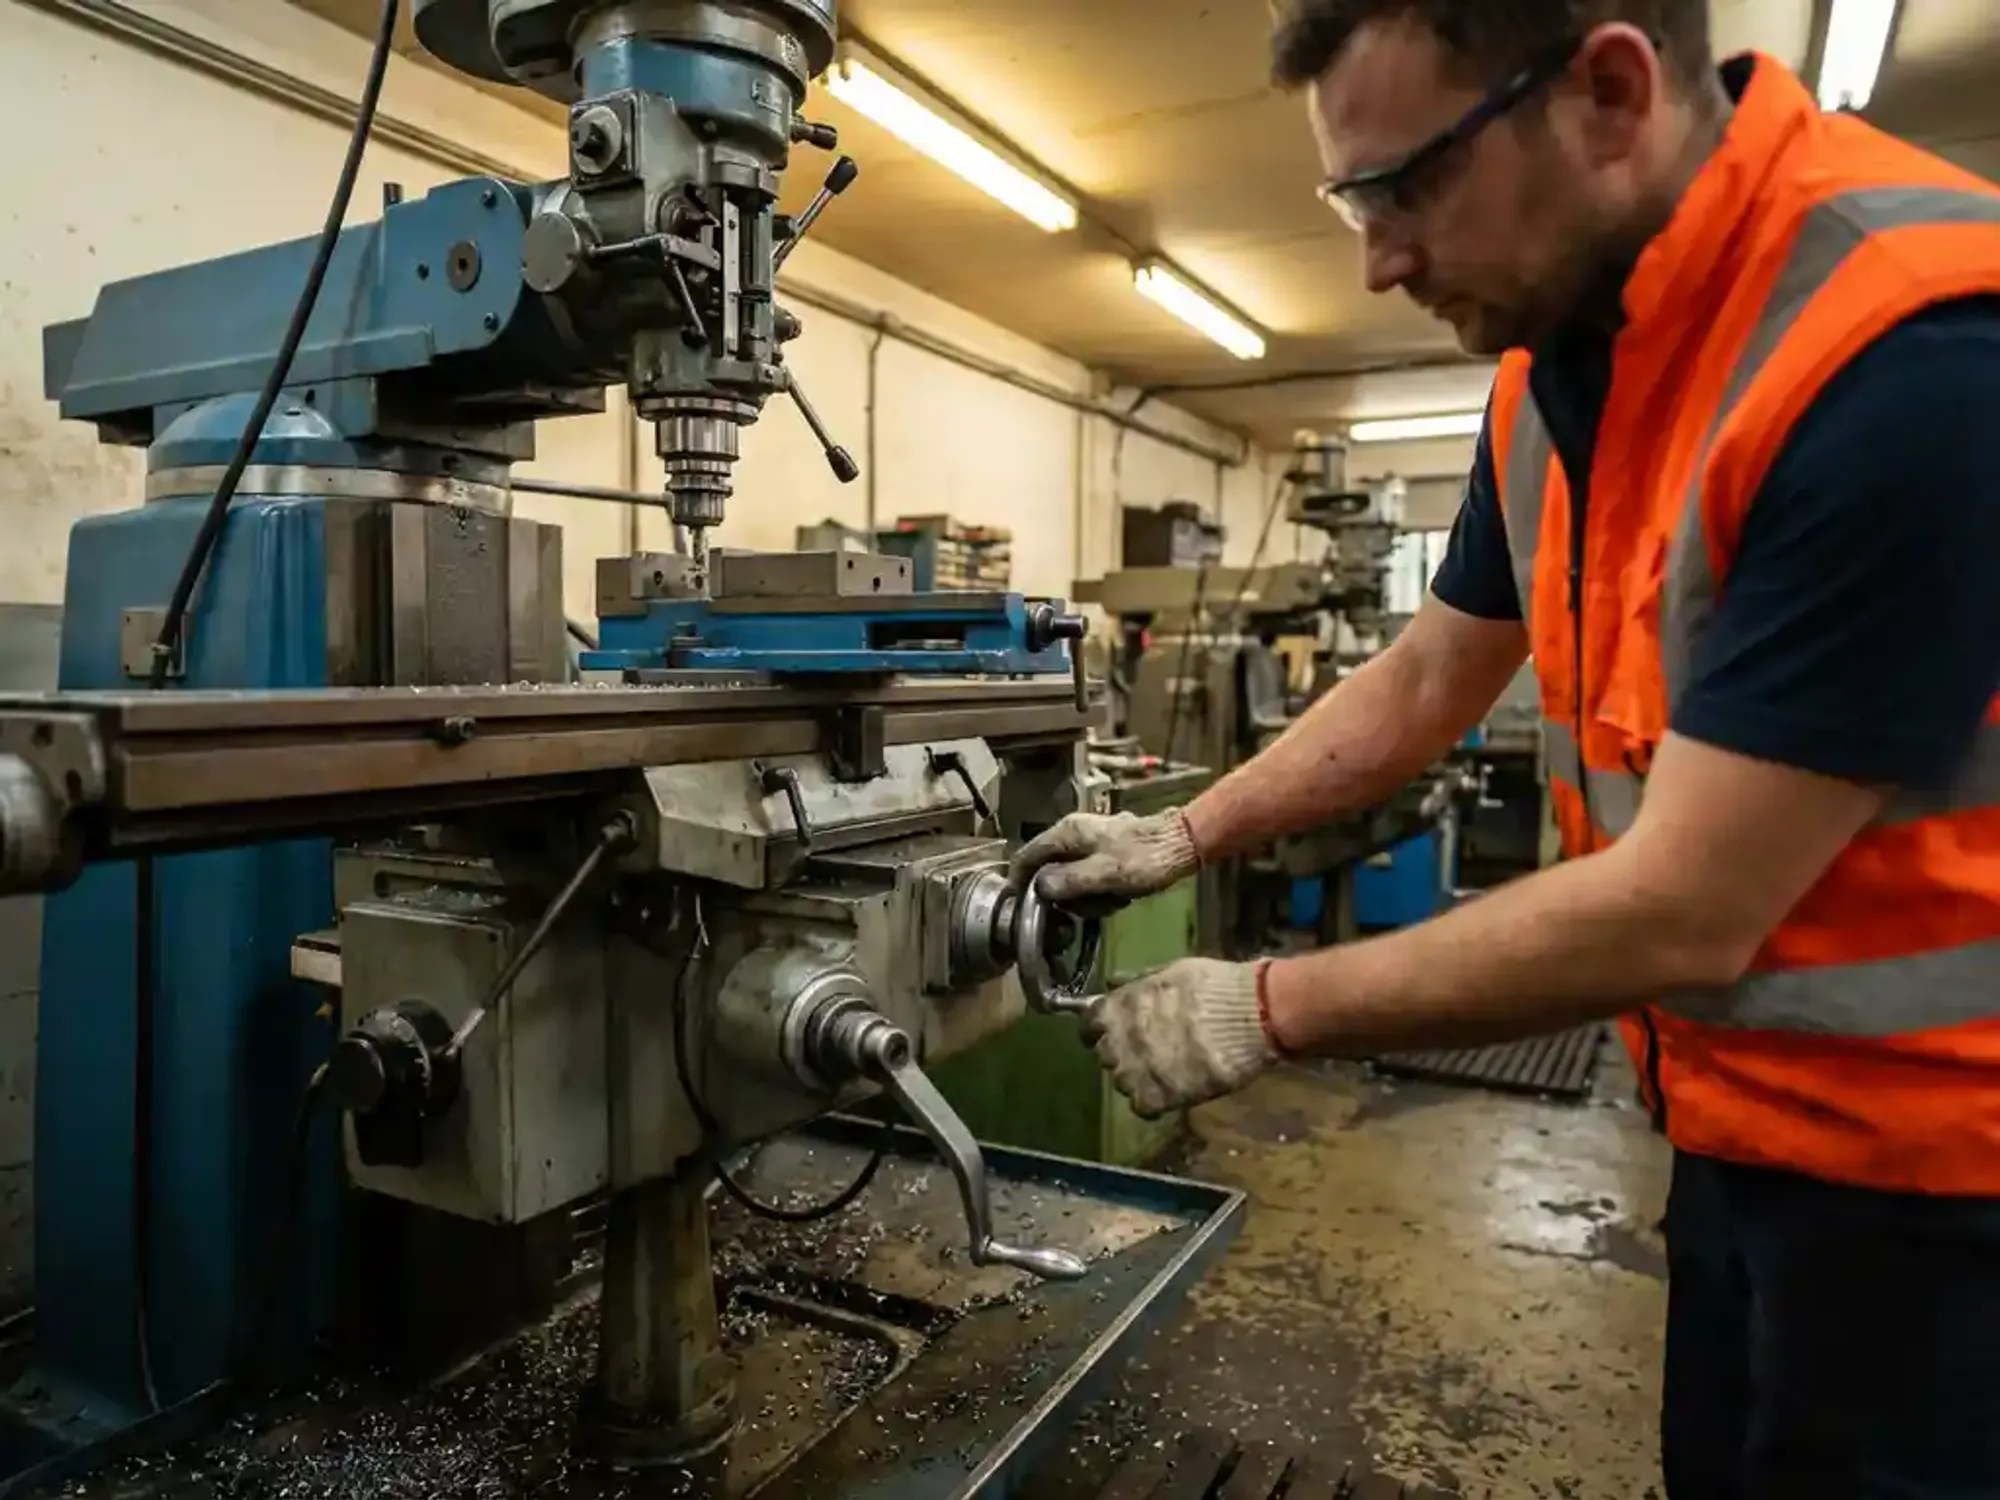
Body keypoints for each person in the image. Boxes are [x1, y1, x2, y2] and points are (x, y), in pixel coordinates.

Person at [1012, 3, 2000, 1495]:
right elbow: (1426, 677)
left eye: (1408, 187)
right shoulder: (1552, 375)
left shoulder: (1904, 349)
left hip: (1948, 1195)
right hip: (1735, 1129)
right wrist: (1183, 836)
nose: (1378, 261)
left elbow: (1690, 902)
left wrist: (1264, 1005)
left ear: (1606, 92)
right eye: (1356, 203)